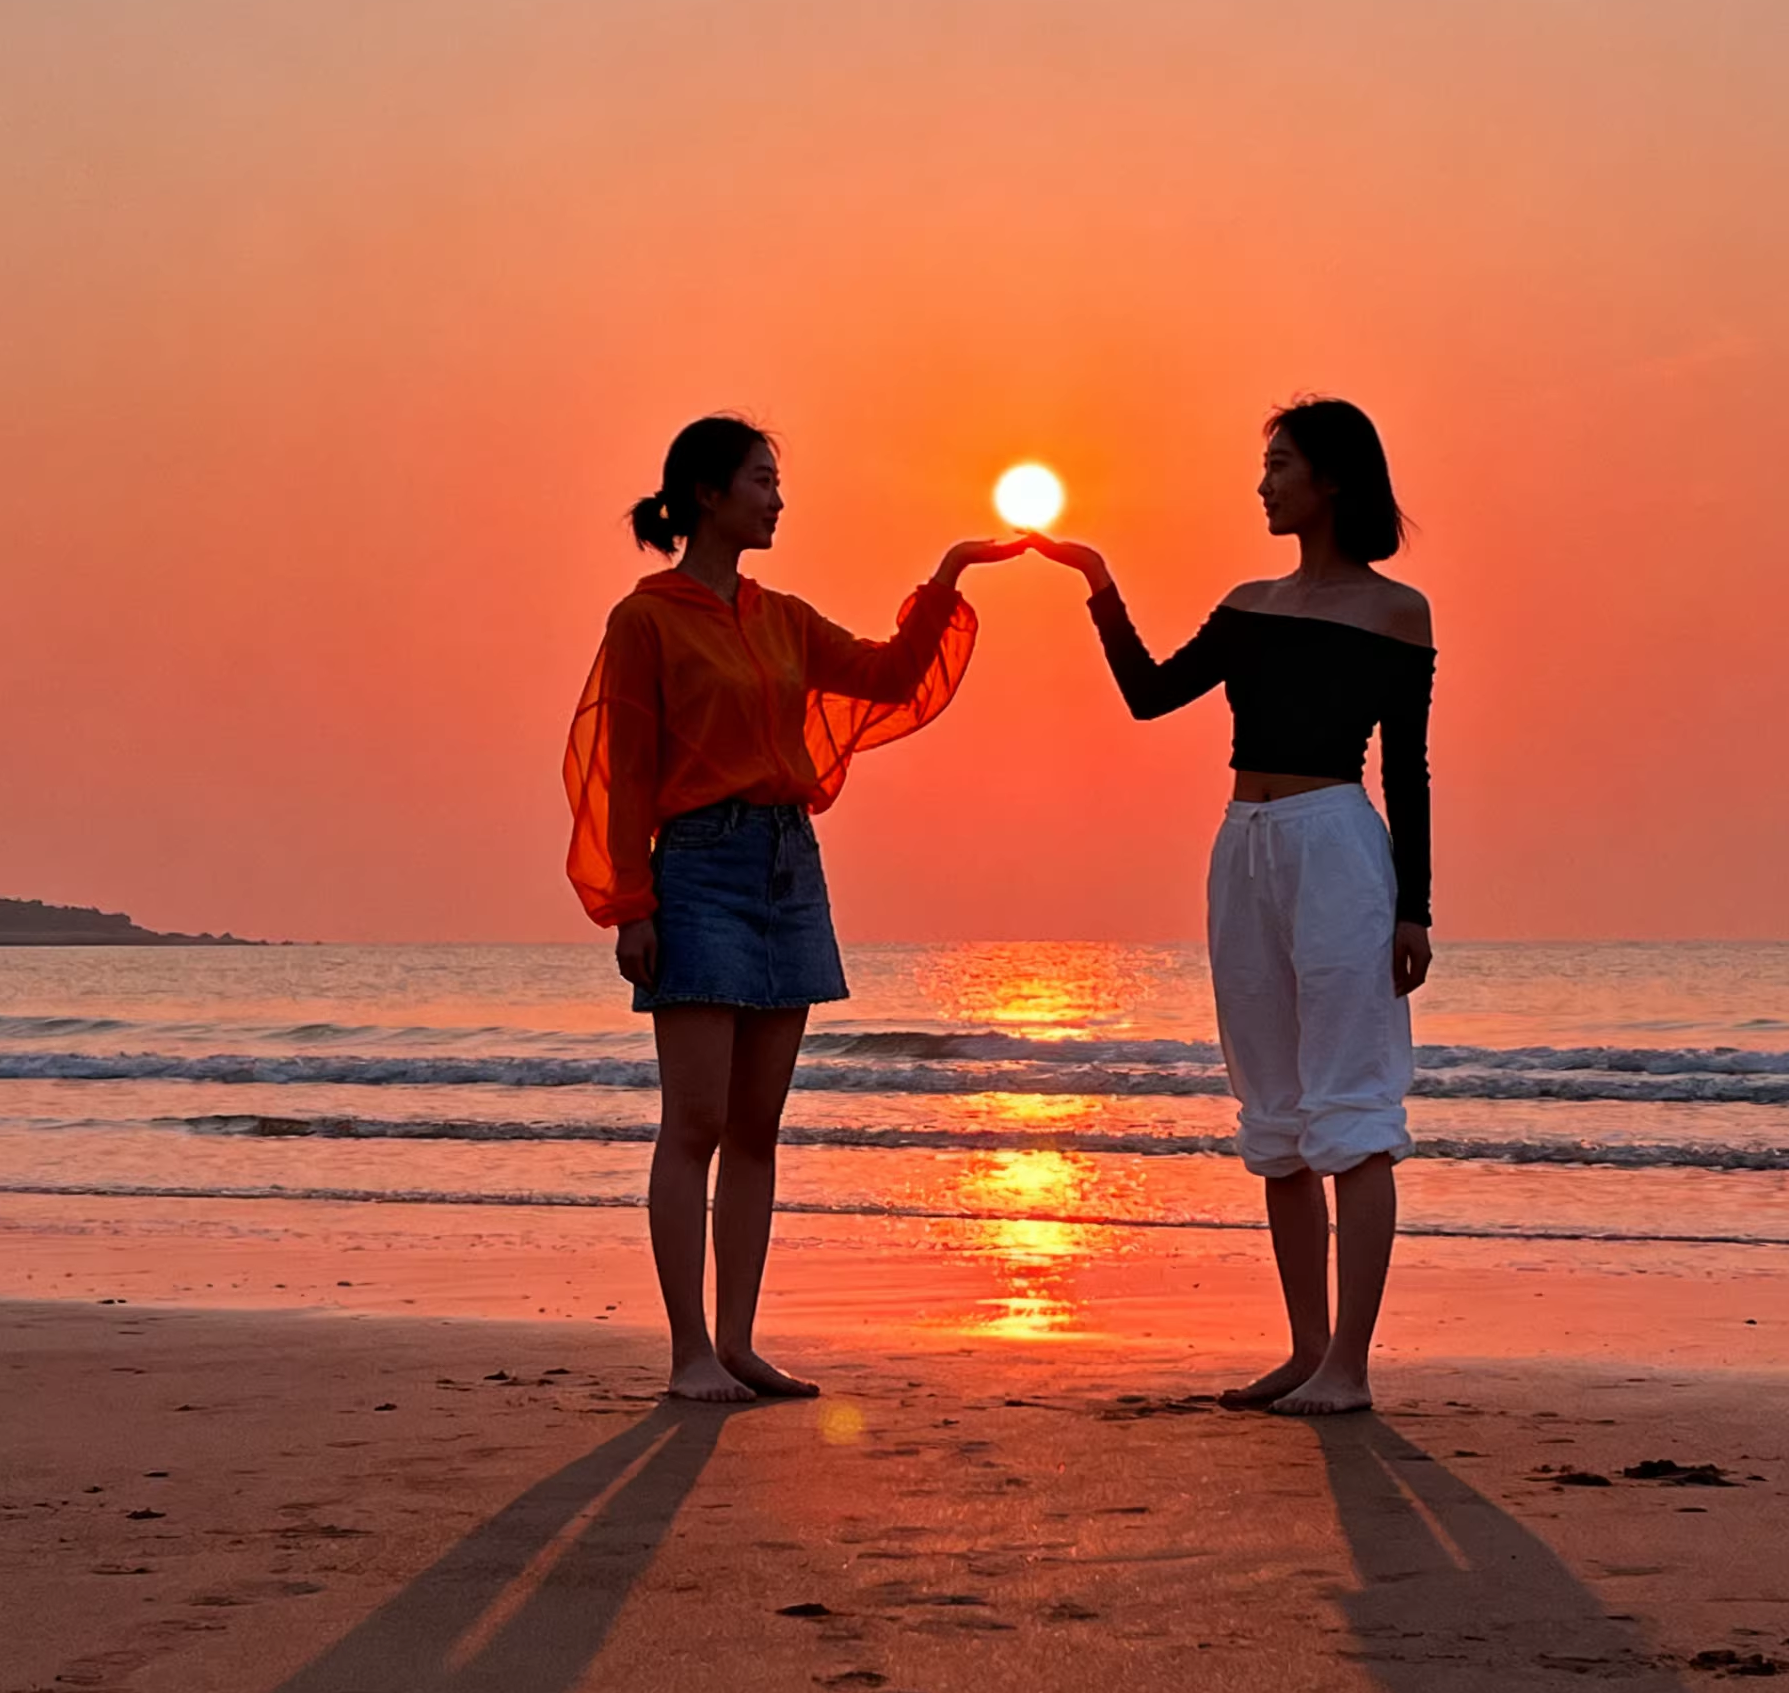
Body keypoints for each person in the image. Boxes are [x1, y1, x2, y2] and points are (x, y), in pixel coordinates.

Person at [565, 414, 1024, 1403]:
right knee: (691, 1122)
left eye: (777, 481)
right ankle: (688, 1351)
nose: (777, 498)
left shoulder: (782, 618)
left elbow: (891, 676)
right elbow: (622, 774)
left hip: (786, 868)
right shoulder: (643, 619)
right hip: (695, 870)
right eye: (762, 480)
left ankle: (736, 1343)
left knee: (757, 1130)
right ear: (704, 495)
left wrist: (948, 572)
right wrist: (629, 906)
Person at [1032, 398, 1434, 1414]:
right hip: (1242, 846)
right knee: (1274, 1107)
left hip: (1338, 844)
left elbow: (1408, 769)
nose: (1262, 482)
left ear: (1331, 479)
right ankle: (1304, 1353)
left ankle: (1349, 1364)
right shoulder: (1248, 602)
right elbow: (1148, 693)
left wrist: (1412, 909)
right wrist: (1097, 585)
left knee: (1351, 1104)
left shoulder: (1396, 611)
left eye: (1279, 464)